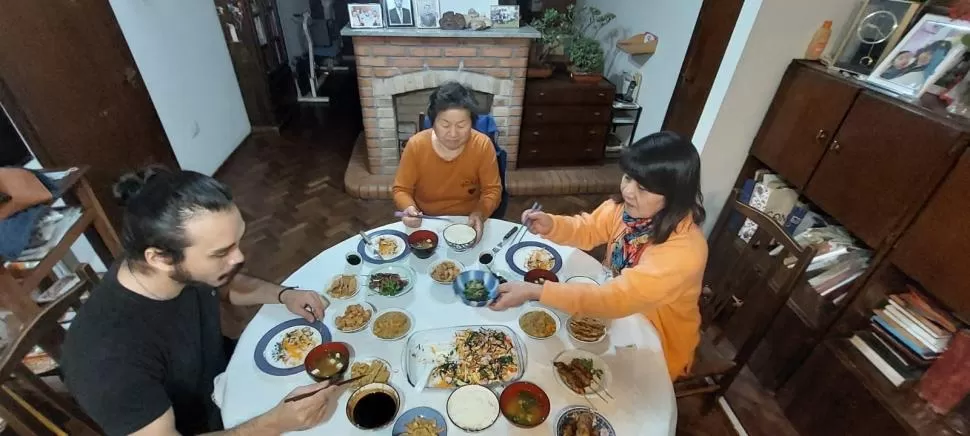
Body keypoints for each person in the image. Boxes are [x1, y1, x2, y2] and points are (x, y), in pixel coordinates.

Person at [62, 168, 338, 435]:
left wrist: (284, 295)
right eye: (221, 253)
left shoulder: (171, 268)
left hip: (232, 376)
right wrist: (274, 424)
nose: (238, 258)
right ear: (160, 258)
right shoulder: (106, 360)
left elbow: (223, 284)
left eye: (237, 242)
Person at [489, 131, 708, 380]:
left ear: (674, 195)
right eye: (628, 177)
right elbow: (589, 228)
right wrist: (552, 225)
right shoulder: (625, 210)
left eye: (643, 188)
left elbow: (617, 298)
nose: (628, 191)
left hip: (656, 342)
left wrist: (536, 291)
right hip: (618, 318)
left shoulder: (684, 251)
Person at [393, 82, 502, 243]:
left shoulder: (482, 145)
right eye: (445, 125)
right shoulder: (416, 145)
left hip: (468, 222)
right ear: (433, 123)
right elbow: (401, 189)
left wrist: (480, 213)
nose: (453, 134)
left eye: (461, 125)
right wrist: (409, 208)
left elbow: (492, 190)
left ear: (472, 123)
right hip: (427, 221)